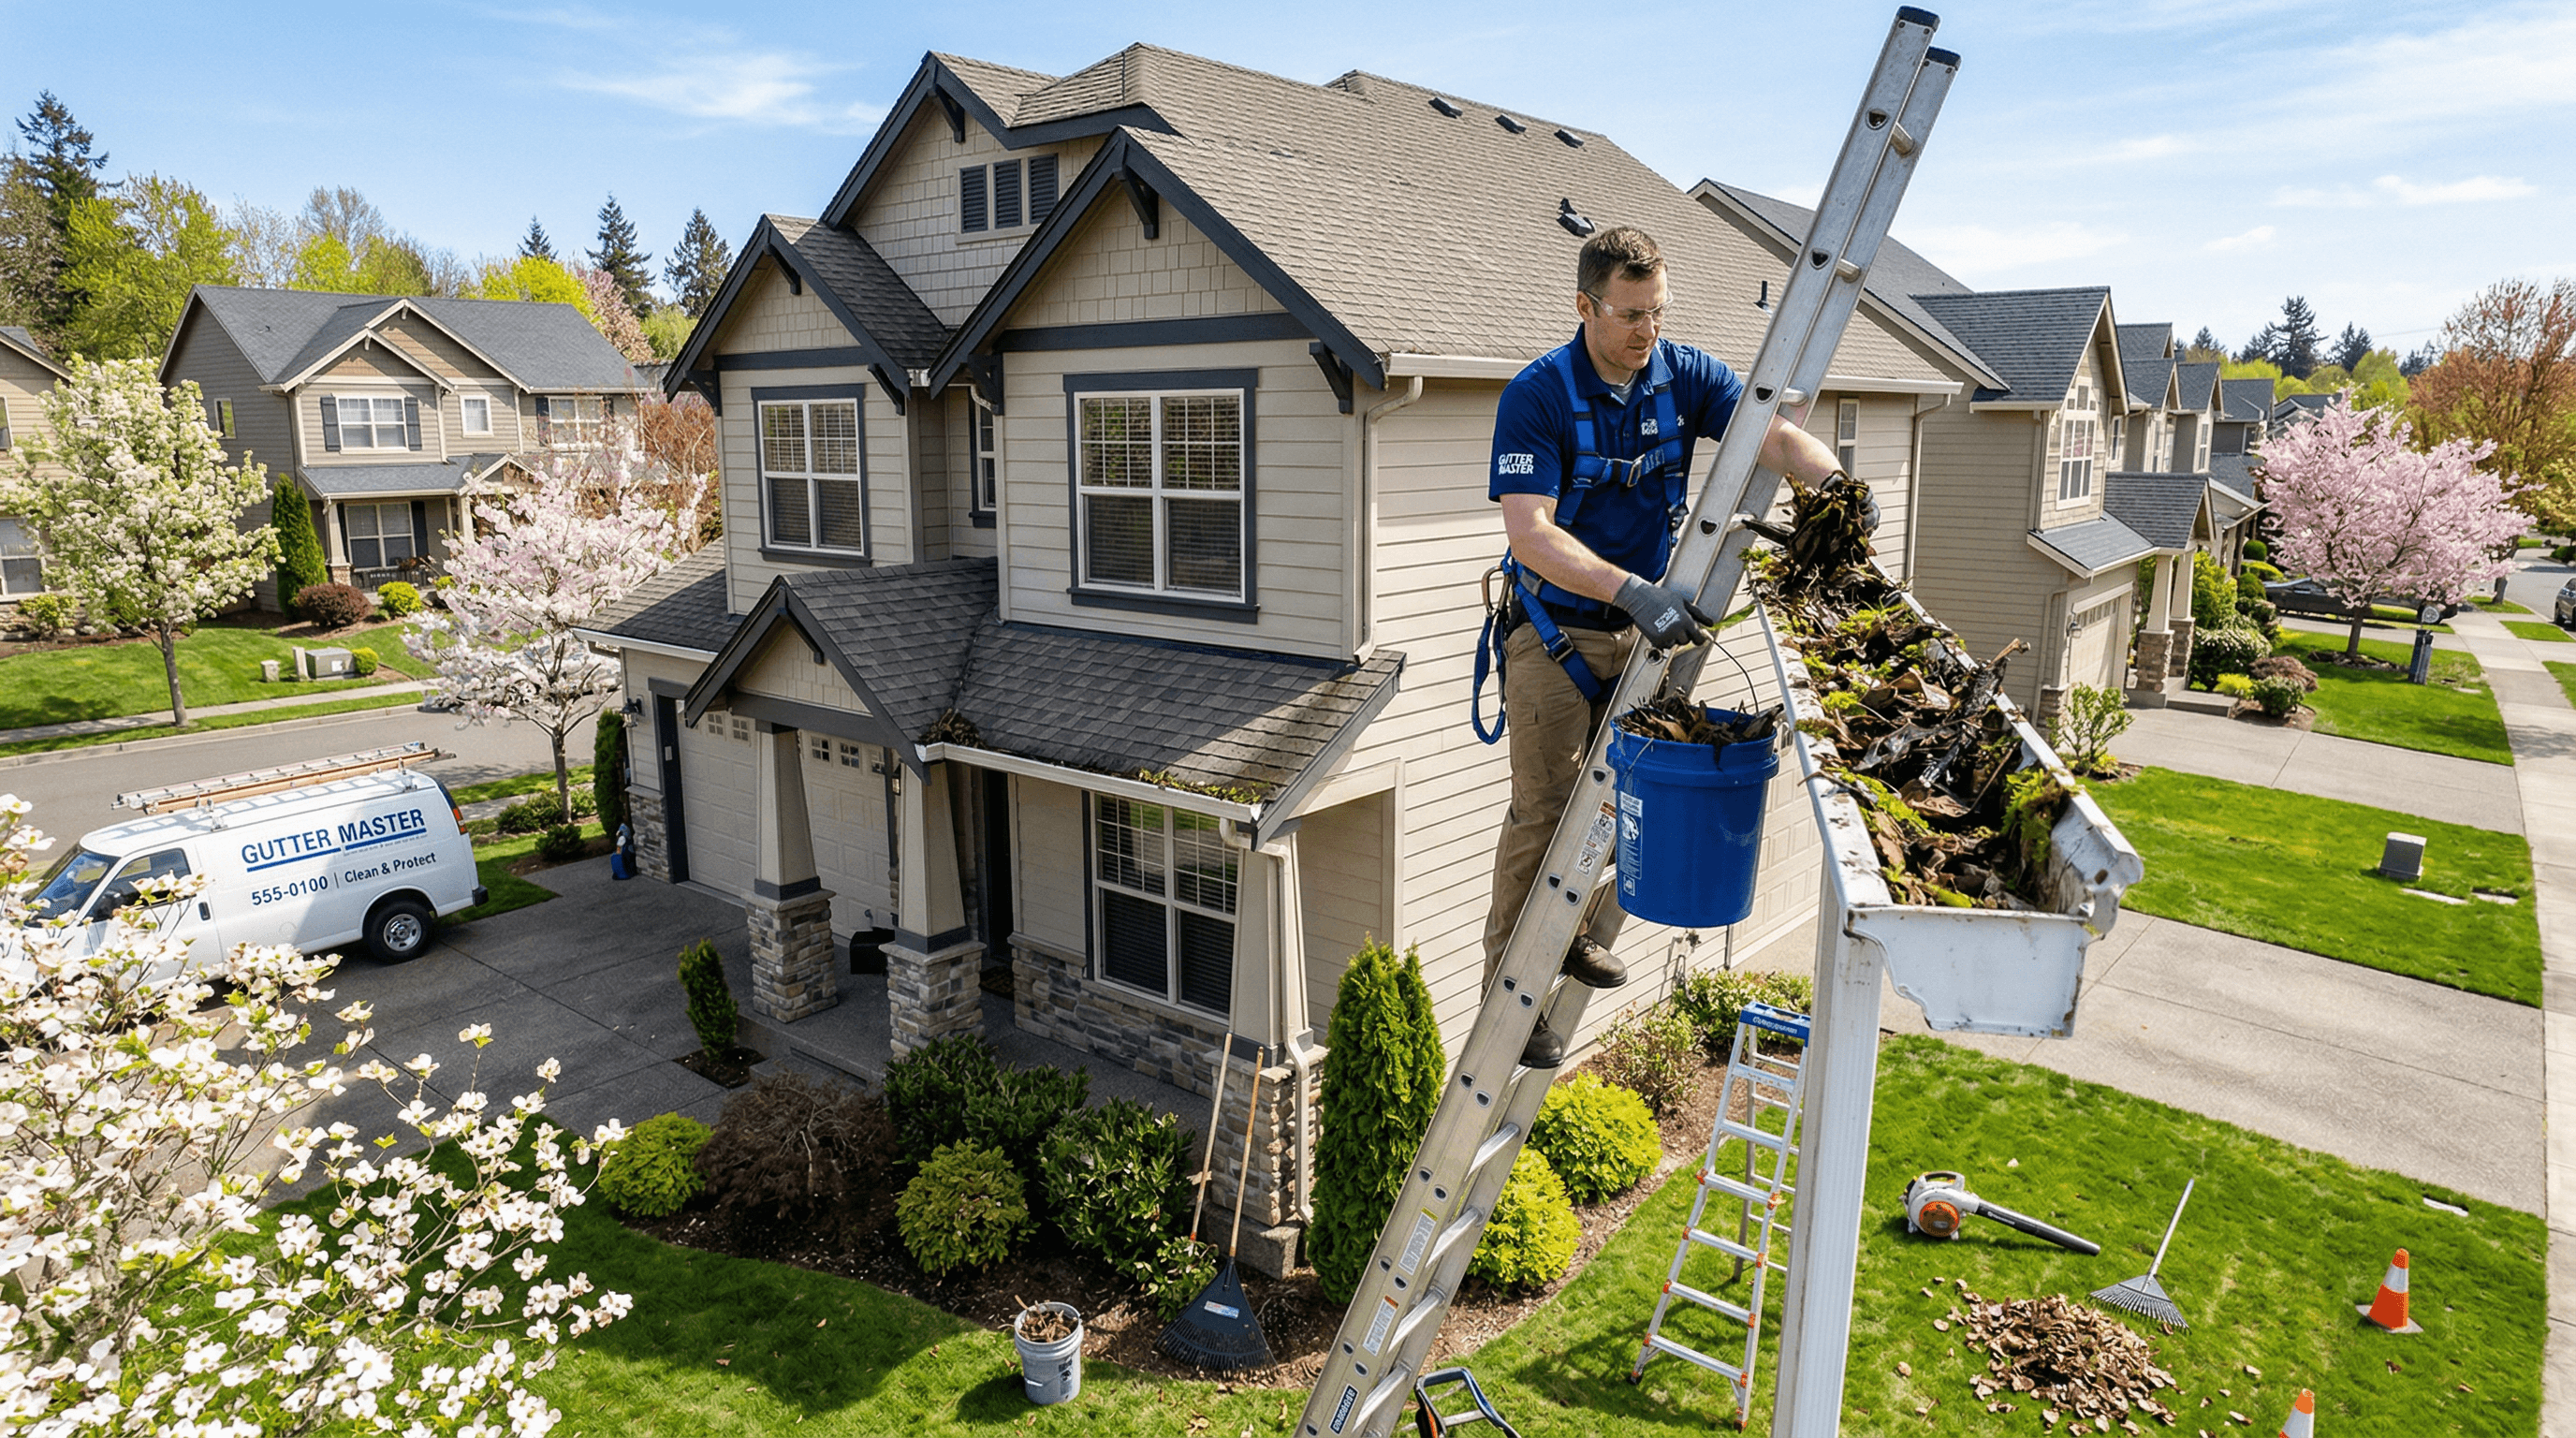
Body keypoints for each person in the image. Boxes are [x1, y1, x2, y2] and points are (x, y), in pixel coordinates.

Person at [1482, 226, 1852, 1068]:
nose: (1647, 330)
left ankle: (1572, 932)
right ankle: (1508, 991)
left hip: (1647, 633)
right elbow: (1530, 532)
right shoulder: (1538, 396)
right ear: (1585, 306)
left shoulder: (1683, 377)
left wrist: (1835, 485)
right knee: (1543, 811)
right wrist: (1631, 590)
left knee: (1627, 795)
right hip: (1558, 632)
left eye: (1658, 311)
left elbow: (1773, 437)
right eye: (1630, 314)